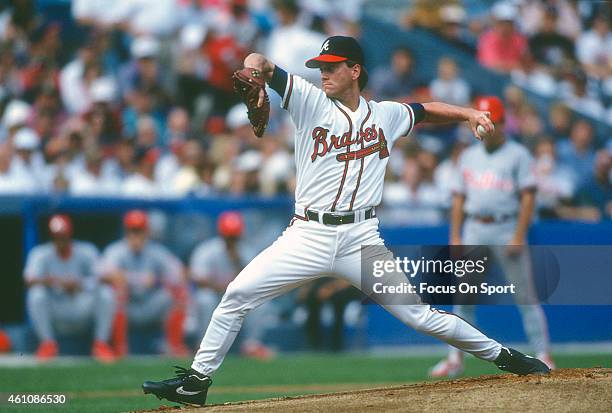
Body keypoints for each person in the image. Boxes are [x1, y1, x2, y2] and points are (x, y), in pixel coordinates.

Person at [143, 36, 549, 406]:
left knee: (419, 316)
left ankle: (507, 356)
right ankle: (196, 381)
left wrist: (467, 114)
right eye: (321, 66)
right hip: (307, 234)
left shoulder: (386, 115)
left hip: (361, 239)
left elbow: (424, 111)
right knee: (236, 295)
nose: (323, 73)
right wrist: (252, 72)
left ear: (354, 70)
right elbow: (261, 62)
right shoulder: (308, 100)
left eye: (332, 66)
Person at [429, 96, 554, 379]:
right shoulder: (469, 156)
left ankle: (543, 352)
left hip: (506, 227)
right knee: (464, 297)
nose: (487, 125)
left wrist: (519, 235)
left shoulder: (518, 154)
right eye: (484, 119)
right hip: (475, 227)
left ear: (501, 122)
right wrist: (456, 236)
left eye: (492, 120)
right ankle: (455, 358)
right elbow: (459, 199)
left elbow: (528, 197)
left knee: (525, 295)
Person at [24, 214, 116, 362]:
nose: (60, 240)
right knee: (36, 294)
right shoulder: (41, 253)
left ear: (69, 234)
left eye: (63, 235)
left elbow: (107, 277)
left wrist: (80, 283)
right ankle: (47, 344)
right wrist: (55, 281)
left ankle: (101, 344)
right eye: (57, 236)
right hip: (57, 307)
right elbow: (29, 280)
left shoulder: (86, 250)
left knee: (106, 293)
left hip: (81, 305)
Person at [100, 210, 187, 355]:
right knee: (113, 292)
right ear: (126, 232)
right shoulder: (116, 250)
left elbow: (180, 274)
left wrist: (159, 280)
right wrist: (137, 279)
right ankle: (119, 349)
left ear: (146, 232)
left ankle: (173, 347)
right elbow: (106, 275)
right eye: (133, 231)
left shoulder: (156, 251)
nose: (136, 236)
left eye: (139, 231)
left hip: (150, 304)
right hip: (128, 306)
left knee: (179, 292)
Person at [189, 211, 274, 359]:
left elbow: (255, 281)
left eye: (234, 236)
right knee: (205, 299)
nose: (231, 240)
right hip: (214, 295)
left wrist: (237, 261)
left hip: (237, 297)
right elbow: (198, 280)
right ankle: (202, 346)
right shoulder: (207, 250)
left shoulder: (246, 251)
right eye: (229, 236)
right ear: (222, 234)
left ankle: (251, 346)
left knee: (262, 303)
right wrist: (224, 288)